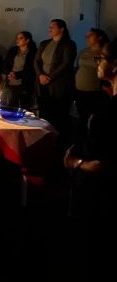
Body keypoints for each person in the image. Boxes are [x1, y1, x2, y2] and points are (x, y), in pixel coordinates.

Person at [63, 38, 117, 280]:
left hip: (101, 198)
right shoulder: (108, 103)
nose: (98, 63)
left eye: (101, 58)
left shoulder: (110, 111)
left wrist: (76, 163)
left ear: (114, 65)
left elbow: (102, 163)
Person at [34, 19, 77, 148]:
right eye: (49, 27)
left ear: (61, 29)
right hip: (42, 83)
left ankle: (59, 143)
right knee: (44, 112)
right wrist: (40, 75)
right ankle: (44, 139)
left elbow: (66, 63)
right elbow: (36, 61)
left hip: (59, 84)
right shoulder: (44, 43)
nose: (50, 29)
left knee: (58, 114)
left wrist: (50, 77)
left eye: (52, 27)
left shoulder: (69, 44)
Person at [74, 28, 109, 128]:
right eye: (86, 36)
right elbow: (78, 67)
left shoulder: (105, 51)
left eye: (90, 35)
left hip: (95, 92)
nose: (87, 37)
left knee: (95, 120)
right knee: (81, 118)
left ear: (99, 37)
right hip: (80, 91)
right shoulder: (84, 51)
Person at [3, 31, 37, 109]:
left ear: (27, 40)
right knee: (10, 105)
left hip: (25, 83)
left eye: (21, 38)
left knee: (24, 105)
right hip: (11, 81)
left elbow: (32, 69)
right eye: (17, 38)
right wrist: (9, 73)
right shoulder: (13, 50)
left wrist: (17, 75)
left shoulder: (33, 52)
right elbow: (6, 63)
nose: (17, 40)